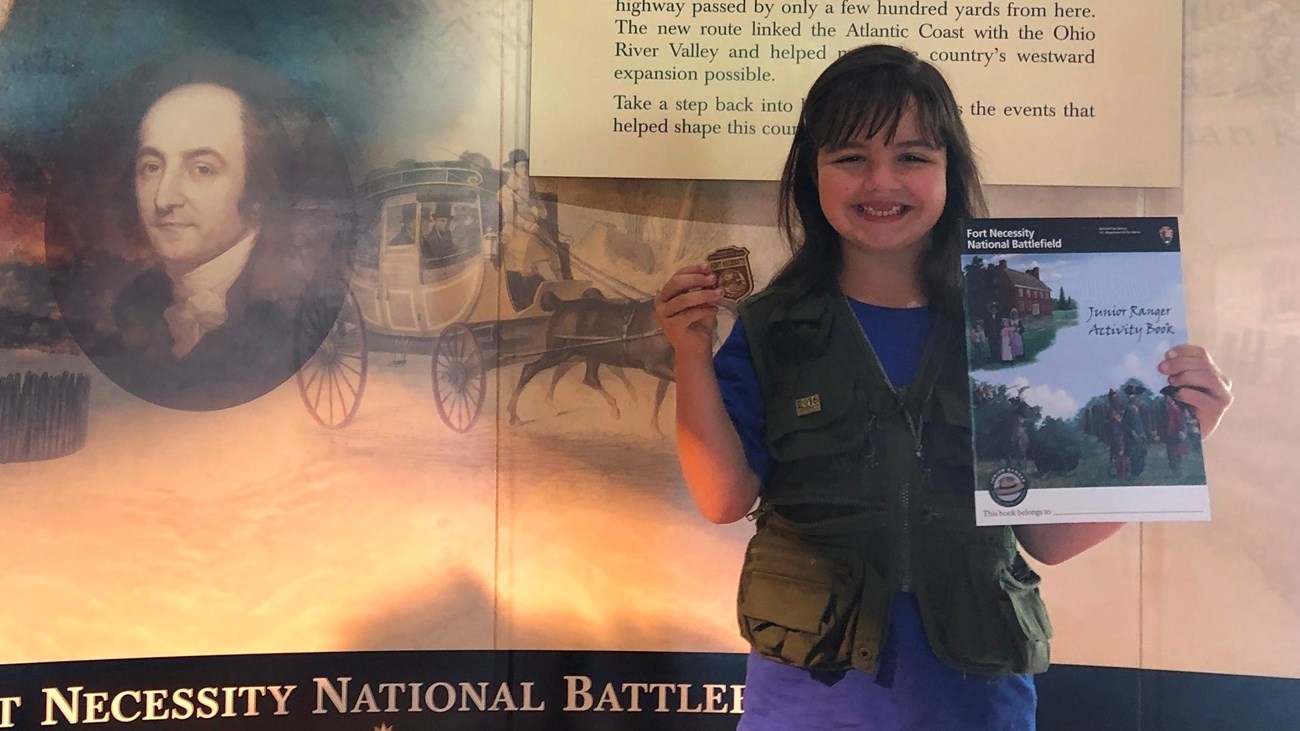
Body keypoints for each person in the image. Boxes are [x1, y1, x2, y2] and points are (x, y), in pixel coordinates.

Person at [653, 44, 1234, 729]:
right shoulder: (771, 327)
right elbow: (723, 498)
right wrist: (691, 356)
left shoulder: (1008, 327)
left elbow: (1049, 538)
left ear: (949, 171)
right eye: (851, 157)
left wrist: (1179, 430)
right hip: (805, 708)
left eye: (912, 156)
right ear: (812, 173)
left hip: (977, 708)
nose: (881, 182)